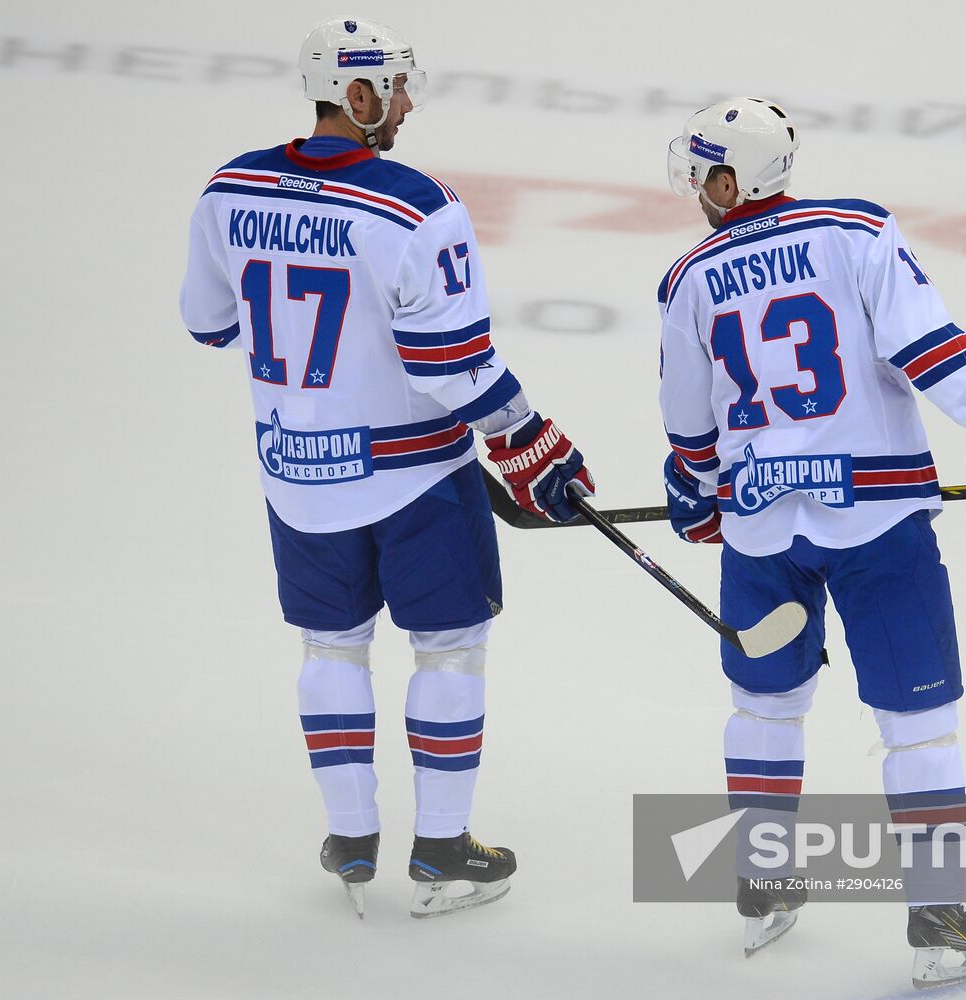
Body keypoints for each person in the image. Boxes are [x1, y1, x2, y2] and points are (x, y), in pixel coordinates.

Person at [657, 99, 966, 988]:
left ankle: (764, 880)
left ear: (733, 180)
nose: (696, 189)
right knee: (917, 720)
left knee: (764, 706)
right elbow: (925, 346)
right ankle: (936, 916)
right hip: (876, 526)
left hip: (761, 531)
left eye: (703, 172)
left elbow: (688, 428)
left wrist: (697, 493)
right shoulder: (855, 231)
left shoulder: (688, 278)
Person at [179, 15, 594, 919]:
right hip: (414, 481)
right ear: (357, 94)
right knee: (447, 648)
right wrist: (529, 438)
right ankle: (442, 847)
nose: (407, 103)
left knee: (331, 646)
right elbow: (451, 364)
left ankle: (351, 836)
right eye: (397, 88)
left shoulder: (228, 187)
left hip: (295, 477)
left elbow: (208, 324)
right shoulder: (414, 203)